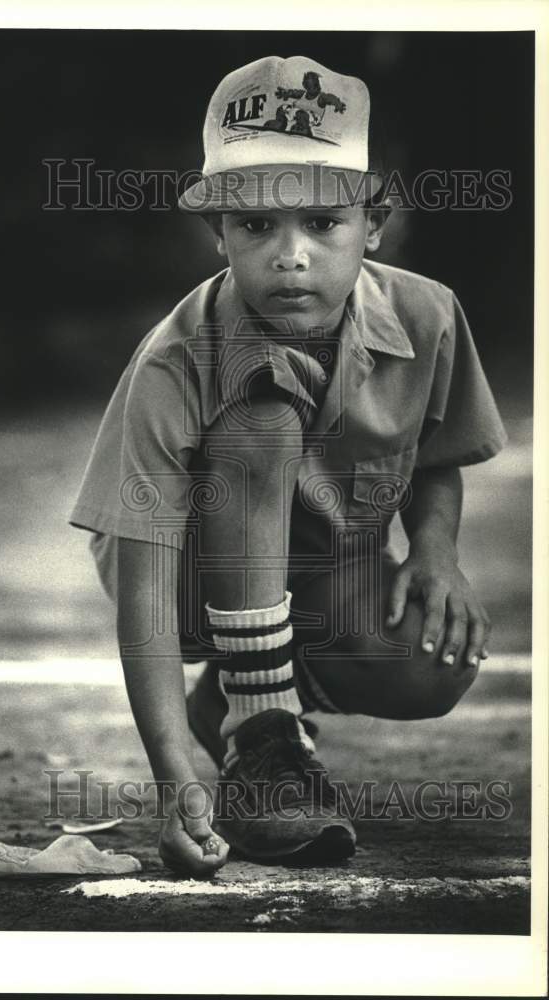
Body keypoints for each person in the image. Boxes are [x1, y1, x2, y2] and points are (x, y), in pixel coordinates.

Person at [69, 55, 507, 876]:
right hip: (192, 578)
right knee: (260, 418)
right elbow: (147, 586)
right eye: (256, 226)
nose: (291, 255)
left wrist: (437, 550)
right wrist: (175, 786)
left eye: (322, 223)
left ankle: (234, 699)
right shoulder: (176, 359)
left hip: (324, 565)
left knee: (431, 660)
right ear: (221, 233)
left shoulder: (428, 313)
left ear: (373, 224)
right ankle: (263, 730)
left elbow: (438, 454)